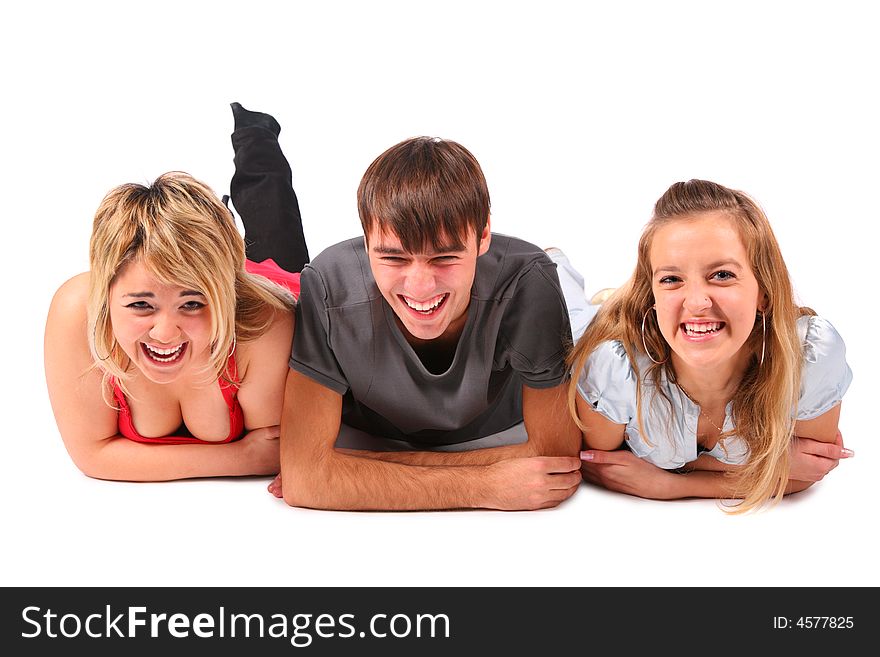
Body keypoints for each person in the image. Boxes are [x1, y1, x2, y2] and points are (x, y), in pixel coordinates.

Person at [256, 117, 586, 510]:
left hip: (527, 333)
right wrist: (483, 485)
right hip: (387, 418)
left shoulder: (528, 282)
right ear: (365, 244)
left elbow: (555, 461)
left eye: (444, 257)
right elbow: (306, 480)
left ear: (483, 237)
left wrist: (349, 467)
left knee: (578, 310)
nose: (420, 286)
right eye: (393, 258)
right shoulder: (328, 284)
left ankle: (562, 265)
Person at [44, 103, 308, 481]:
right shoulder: (76, 311)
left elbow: (279, 448)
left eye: (191, 304)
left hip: (270, 285)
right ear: (105, 292)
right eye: (140, 305)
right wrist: (242, 458)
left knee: (271, 206)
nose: (165, 333)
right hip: (210, 277)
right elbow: (92, 455)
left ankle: (255, 131)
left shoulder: (269, 324)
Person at [566, 179, 853, 512]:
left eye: (721, 275)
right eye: (671, 279)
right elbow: (596, 461)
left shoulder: (809, 356)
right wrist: (769, 465)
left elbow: (806, 474)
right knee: (563, 303)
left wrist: (673, 485)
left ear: (763, 291)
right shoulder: (614, 368)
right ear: (652, 298)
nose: (697, 302)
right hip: (585, 327)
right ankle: (557, 263)